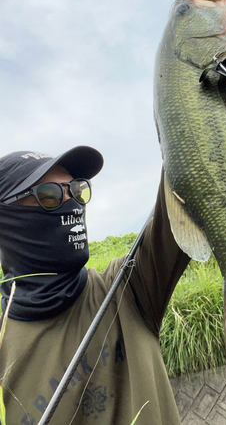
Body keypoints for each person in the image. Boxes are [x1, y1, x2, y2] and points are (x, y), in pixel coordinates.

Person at [0, 146, 190, 425]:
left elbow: (189, 182)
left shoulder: (131, 288)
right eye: (50, 195)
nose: (72, 203)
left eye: (77, 191)